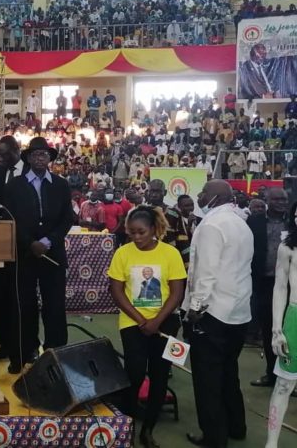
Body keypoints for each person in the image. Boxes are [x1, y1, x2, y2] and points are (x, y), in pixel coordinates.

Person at [108, 206, 186, 448]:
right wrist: (141, 321)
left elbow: (177, 292)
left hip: (165, 323)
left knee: (160, 377)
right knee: (134, 374)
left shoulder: (171, 253)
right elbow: (116, 291)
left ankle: (148, 430)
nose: (136, 237)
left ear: (154, 229)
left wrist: (156, 321)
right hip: (133, 323)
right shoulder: (122, 253)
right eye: (132, 233)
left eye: (141, 232)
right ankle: (128, 429)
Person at [184, 179, 254, 448]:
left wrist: (195, 308)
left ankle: (214, 436)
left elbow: (206, 273)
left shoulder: (211, 225)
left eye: (203, 192)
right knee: (228, 370)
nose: (199, 196)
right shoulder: (241, 223)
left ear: (215, 197)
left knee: (207, 378)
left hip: (212, 312)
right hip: (239, 310)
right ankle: (236, 426)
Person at [2, 137, 73, 374]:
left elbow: (67, 218)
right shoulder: (15, 185)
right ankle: (22, 354)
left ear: (50, 158)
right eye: (35, 154)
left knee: (55, 305)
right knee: (23, 305)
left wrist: (48, 241)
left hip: (53, 255)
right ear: (28, 158)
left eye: (44, 154)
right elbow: (10, 218)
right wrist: (29, 242)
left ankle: (56, 354)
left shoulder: (61, 185)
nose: (40, 158)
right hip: (24, 255)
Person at [0, 135, 26, 360]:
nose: (0, 158)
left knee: (21, 297)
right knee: (0, 295)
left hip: (25, 243)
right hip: (0, 241)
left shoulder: (29, 171)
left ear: (16, 150)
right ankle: (3, 343)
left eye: (4, 154)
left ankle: (26, 345)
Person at [246, 188, 289, 388]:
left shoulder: (293, 222)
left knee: (291, 329)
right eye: (277, 199)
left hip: (291, 284)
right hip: (263, 283)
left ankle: (290, 377)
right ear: (267, 200)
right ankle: (271, 374)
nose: (281, 203)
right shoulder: (254, 222)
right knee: (268, 329)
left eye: (284, 199)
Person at [265, 201, 297, 448]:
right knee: (284, 383)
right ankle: (271, 443)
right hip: (294, 320)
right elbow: (279, 287)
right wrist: (277, 328)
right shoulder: (287, 247)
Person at [164, 195, 201, 268]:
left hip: (198, 257)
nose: (190, 208)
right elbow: (180, 239)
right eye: (186, 206)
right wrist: (189, 225)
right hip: (183, 258)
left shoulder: (200, 220)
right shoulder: (176, 221)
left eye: (192, 205)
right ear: (179, 207)